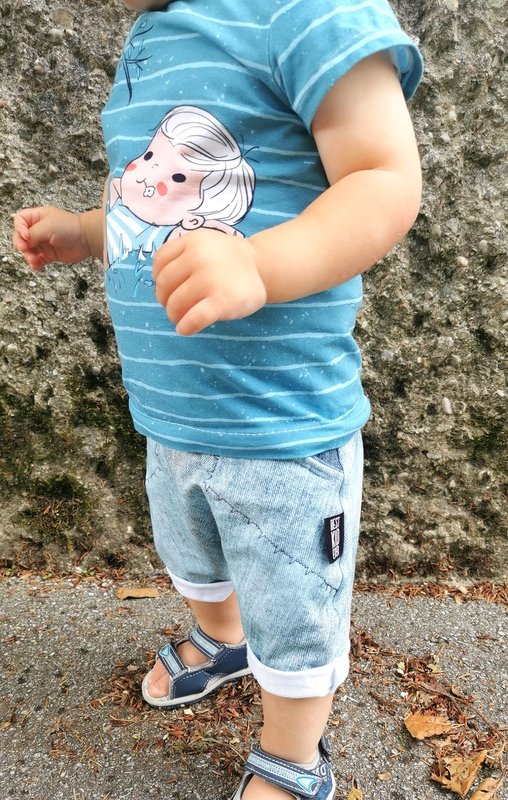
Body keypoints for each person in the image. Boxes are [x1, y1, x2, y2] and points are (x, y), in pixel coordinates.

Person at [13, 1, 423, 798]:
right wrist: (87, 232)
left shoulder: (308, 10)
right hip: (171, 413)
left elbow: (383, 178)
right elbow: (152, 201)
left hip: (279, 424)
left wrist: (259, 265)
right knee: (195, 553)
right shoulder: (154, 34)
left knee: (292, 602)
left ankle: (294, 757)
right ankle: (223, 638)